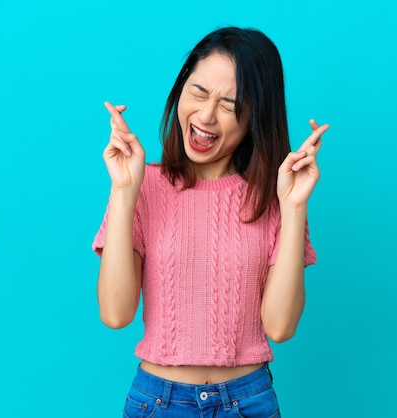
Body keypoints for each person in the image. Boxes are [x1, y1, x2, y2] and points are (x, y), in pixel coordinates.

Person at [92, 26, 329, 418]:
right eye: (198, 92)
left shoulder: (276, 198)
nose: (205, 115)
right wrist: (124, 190)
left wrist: (294, 208)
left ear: (255, 117)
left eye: (230, 104)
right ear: (181, 89)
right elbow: (116, 314)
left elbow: (281, 327)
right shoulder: (142, 187)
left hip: (248, 401)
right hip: (158, 402)